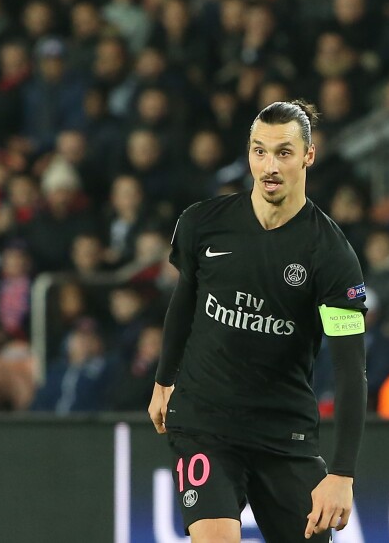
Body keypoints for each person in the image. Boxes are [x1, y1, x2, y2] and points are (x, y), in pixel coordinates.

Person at [148, 100, 367, 542]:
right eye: (259, 151)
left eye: (284, 152)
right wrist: (163, 380)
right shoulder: (202, 225)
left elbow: (349, 369)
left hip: (284, 435)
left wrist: (341, 473)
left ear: (308, 155)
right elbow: (184, 303)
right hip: (206, 421)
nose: (269, 165)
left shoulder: (332, 257)